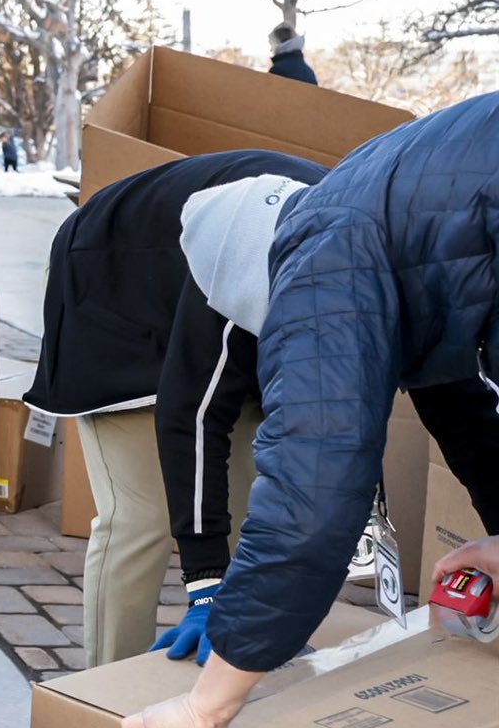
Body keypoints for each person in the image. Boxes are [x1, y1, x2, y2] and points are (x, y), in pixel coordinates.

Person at [118, 98, 499, 728]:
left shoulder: (318, 255)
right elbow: (469, 420)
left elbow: (312, 501)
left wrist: (205, 708)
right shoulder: (398, 231)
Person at [24, 151, 327, 668]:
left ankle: (232, 676)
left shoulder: (369, 271)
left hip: (199, 294)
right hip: (111, 280)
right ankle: (105, 695)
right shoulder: (266, 251)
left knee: (243, 506)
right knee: (139, 520)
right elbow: (191, 416)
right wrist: (206, 587)